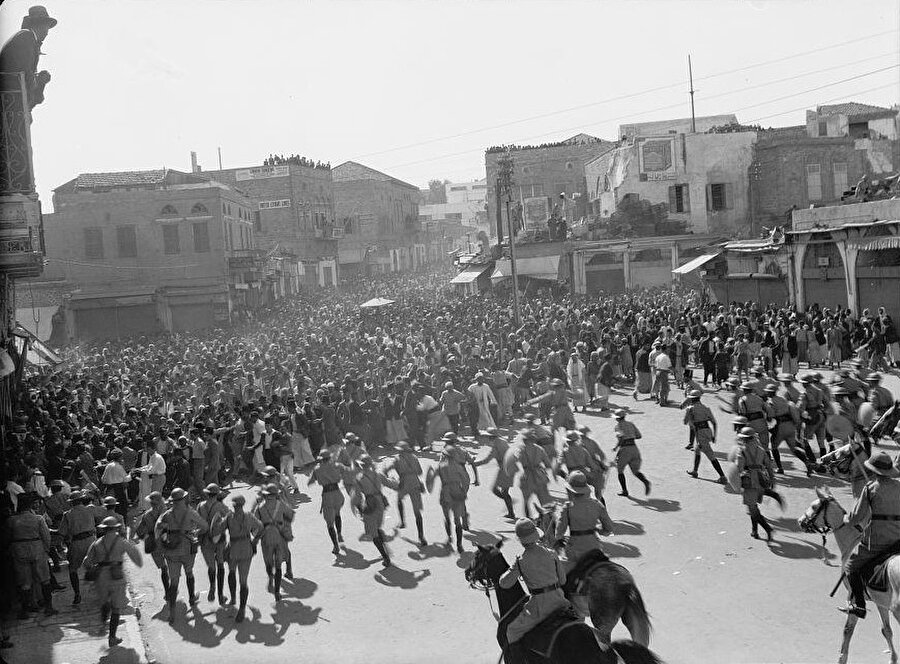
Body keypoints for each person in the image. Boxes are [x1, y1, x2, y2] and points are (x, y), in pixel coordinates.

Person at [499, 519, 570, 664]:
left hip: (540, 607)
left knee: (512, 631)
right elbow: (562, 581)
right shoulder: (551, 553)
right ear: (536, 534)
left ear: (520, 540)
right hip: (560, 601)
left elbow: (504, 584)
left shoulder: (521, 560)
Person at [840, 451, 900, 619]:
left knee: (850, 566)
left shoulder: (870, 488)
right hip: (898, 540)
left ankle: (859, 604)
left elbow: (857, 517)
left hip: (877, 542)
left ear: (873, 471)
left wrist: (846, 518)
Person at [84, 516, 143, 647]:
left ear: (104, 529)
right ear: (116, 528)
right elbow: (136, 556)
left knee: (104, 602)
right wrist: (138, 562)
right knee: (116, 608)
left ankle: (103, 623)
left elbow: (86, 562)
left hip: (101, 577)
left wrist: (95, 566)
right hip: (117, 576)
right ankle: (112, 637)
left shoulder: (97, 543)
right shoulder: (121, 541)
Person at [155, 487, 208, 623]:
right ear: (184, 499)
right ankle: (191, 598)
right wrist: (194, 533)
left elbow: (158, 528)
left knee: (174, 582)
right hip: (187, 549)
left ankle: (172, 612)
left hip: (171, 550)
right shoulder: (190, 512)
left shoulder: (167, 514)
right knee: (189, 573)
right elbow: (205, 526)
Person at [727, 427, 780, 541]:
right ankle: (754, 531)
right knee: (753, 506)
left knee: (752, 509)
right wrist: (772, 481)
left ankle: (768, 529)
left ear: (745, 439)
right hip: (761, 482)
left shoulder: (741, 451)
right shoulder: (761, 450)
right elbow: (769, 467)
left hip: (749, 482)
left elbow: (739, 468)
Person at [8, 494, 56, 617]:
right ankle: (49, 607)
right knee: (44, 579)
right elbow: (46, 536)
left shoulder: (11, 520)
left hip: (19, 549)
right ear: (29, 505)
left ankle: (25, 610)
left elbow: (8, 537)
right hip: (37, 548)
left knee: (25, 582)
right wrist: (45, 550)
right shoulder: (38, 519)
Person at [0, 5, 56, 108]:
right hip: (11, 103)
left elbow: (28, 81)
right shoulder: (26, 37)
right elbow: (25, 74)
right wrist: (37, 82)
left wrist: (41, 83)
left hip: (13, 102)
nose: (47, 32)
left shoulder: (29, 40)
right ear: (39, 25)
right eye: (47, 26)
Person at [427, 443, 473, 554]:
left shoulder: (440, 466)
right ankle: (459, 545)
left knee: (447, 517)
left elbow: (431, 479)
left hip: (445, 493)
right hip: (457, 492)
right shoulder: (458, 467)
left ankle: (449, 538)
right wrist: (464, 491)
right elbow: (466, 480)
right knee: (457, 521)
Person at [224, 494, 262, 622]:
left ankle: (233, 597)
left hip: (233, 548)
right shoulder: (249, 516)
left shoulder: (229, 517)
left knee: (231, 572)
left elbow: (218, 529)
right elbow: (260, 527)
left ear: (234, 505)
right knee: (243, 580)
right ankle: (242, 608)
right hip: (246, 548)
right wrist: (255, 541)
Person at [253, 483, 294, 600]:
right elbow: (290, 515)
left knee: (268, 561)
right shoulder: (280, 505)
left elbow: (254, 523)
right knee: (279, 564)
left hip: (266, 536)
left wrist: (255, 536)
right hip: (279, 535)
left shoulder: (259, 507)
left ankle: (270, 577)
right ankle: (277, 592)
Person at [381, 441, 427, 546]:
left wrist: (389, 477)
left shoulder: (397, 459)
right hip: (415, 483)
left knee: (399, 500)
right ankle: (421, 536)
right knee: (417, 512)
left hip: (404, 483)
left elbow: (386, 470)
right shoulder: (414, 457)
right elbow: (420, 472)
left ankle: (402, 522)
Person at [351, 455, 392, 566]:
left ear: (361, 465)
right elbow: (391, 484)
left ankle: (386, 557)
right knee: (378, 527)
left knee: (374, 534)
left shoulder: (359, 478)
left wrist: (358, 508)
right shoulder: (378, 475)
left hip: (370, 503)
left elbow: (357, 497)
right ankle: (386, 551)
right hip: (381, 504)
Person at [57, 490, 96, 606]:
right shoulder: (90, 509)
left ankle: (77, 594)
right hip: (91, 541)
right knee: (96, 565)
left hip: (77, 543)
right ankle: (102, 590)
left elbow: (61, 532)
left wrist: (52, 531)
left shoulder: (67, 514)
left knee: (73, 570)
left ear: (71, 502)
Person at [504, 430, 553, 519]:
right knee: (545, 503)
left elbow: (516, 461)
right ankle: (547, 521)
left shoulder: (520, 450)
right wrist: (541, 469)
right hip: (540, 477)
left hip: (527, 478)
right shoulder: (540, 449)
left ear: (524, 440)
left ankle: (529, 521)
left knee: (526, 501)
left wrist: (519, 470)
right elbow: (548, 465)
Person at [307, 449, 346, 555]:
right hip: (338, 494)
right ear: (329, 458)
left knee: (329, 524)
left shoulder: (317, 469)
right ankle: (339, 534)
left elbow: (309, 483)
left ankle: (336, 546)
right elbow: (346, 472)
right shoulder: (337, 465)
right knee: (337, 513)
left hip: (327, 496)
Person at [683, 391, 727, 483]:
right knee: (697, 449)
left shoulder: (690, 408)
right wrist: (714, 436)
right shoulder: (706, 408)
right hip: (708, 431)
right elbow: (714, 423)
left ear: (691, 399)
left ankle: (722, 476)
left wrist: (689, 415)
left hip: (700, 433)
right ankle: (695, 471)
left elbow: (685, 422)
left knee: (710, 454)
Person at [132, 491, 169, 599]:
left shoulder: (146, 515)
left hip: (154, 543)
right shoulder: (167, 513)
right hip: (168, 542)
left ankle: (167, 592)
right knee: (173, 566)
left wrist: (146, 536)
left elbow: (139, 532)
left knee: (163, 569)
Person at [473, 428, 515, 520]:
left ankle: (510, 509)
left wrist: (475, 464)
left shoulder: (496, 445)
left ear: (490, 437)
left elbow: (487, 460)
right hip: (509, 466)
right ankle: (510, 506)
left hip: (505, 468)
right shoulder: (502, 441)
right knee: (504, 491)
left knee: (497, 490)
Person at [197, 483, 229, 605]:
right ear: (217, 495)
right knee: (220, 565)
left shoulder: (200, 506)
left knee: (211, 567)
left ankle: (212, 588)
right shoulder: (220, 506)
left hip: (205, 540)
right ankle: (221, 596)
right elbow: (230, 517)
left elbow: (196, 522)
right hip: (219, 539)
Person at [612, 409, 651, 497]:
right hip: (634, 448)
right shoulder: (631, 424)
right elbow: (639, 436)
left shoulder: (617, 427)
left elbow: (621, 438)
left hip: (625, 449)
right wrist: (630, 436)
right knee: (635, 471)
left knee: (620, 470)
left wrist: (616, 447)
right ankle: (645, 481)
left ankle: (624, 490)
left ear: (617, 419)